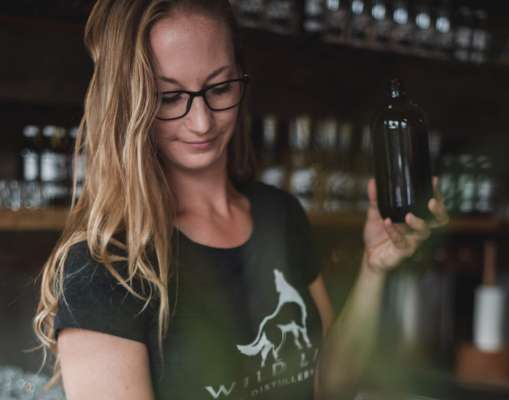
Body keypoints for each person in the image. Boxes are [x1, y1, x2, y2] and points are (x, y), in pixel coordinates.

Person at [33, 1, 449, 399]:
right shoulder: (105, 268)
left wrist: (373, 270)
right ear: (131, 104)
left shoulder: (279, 214)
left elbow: (331, 387)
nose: (202, 122)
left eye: (219, 86)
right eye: (169, 97)